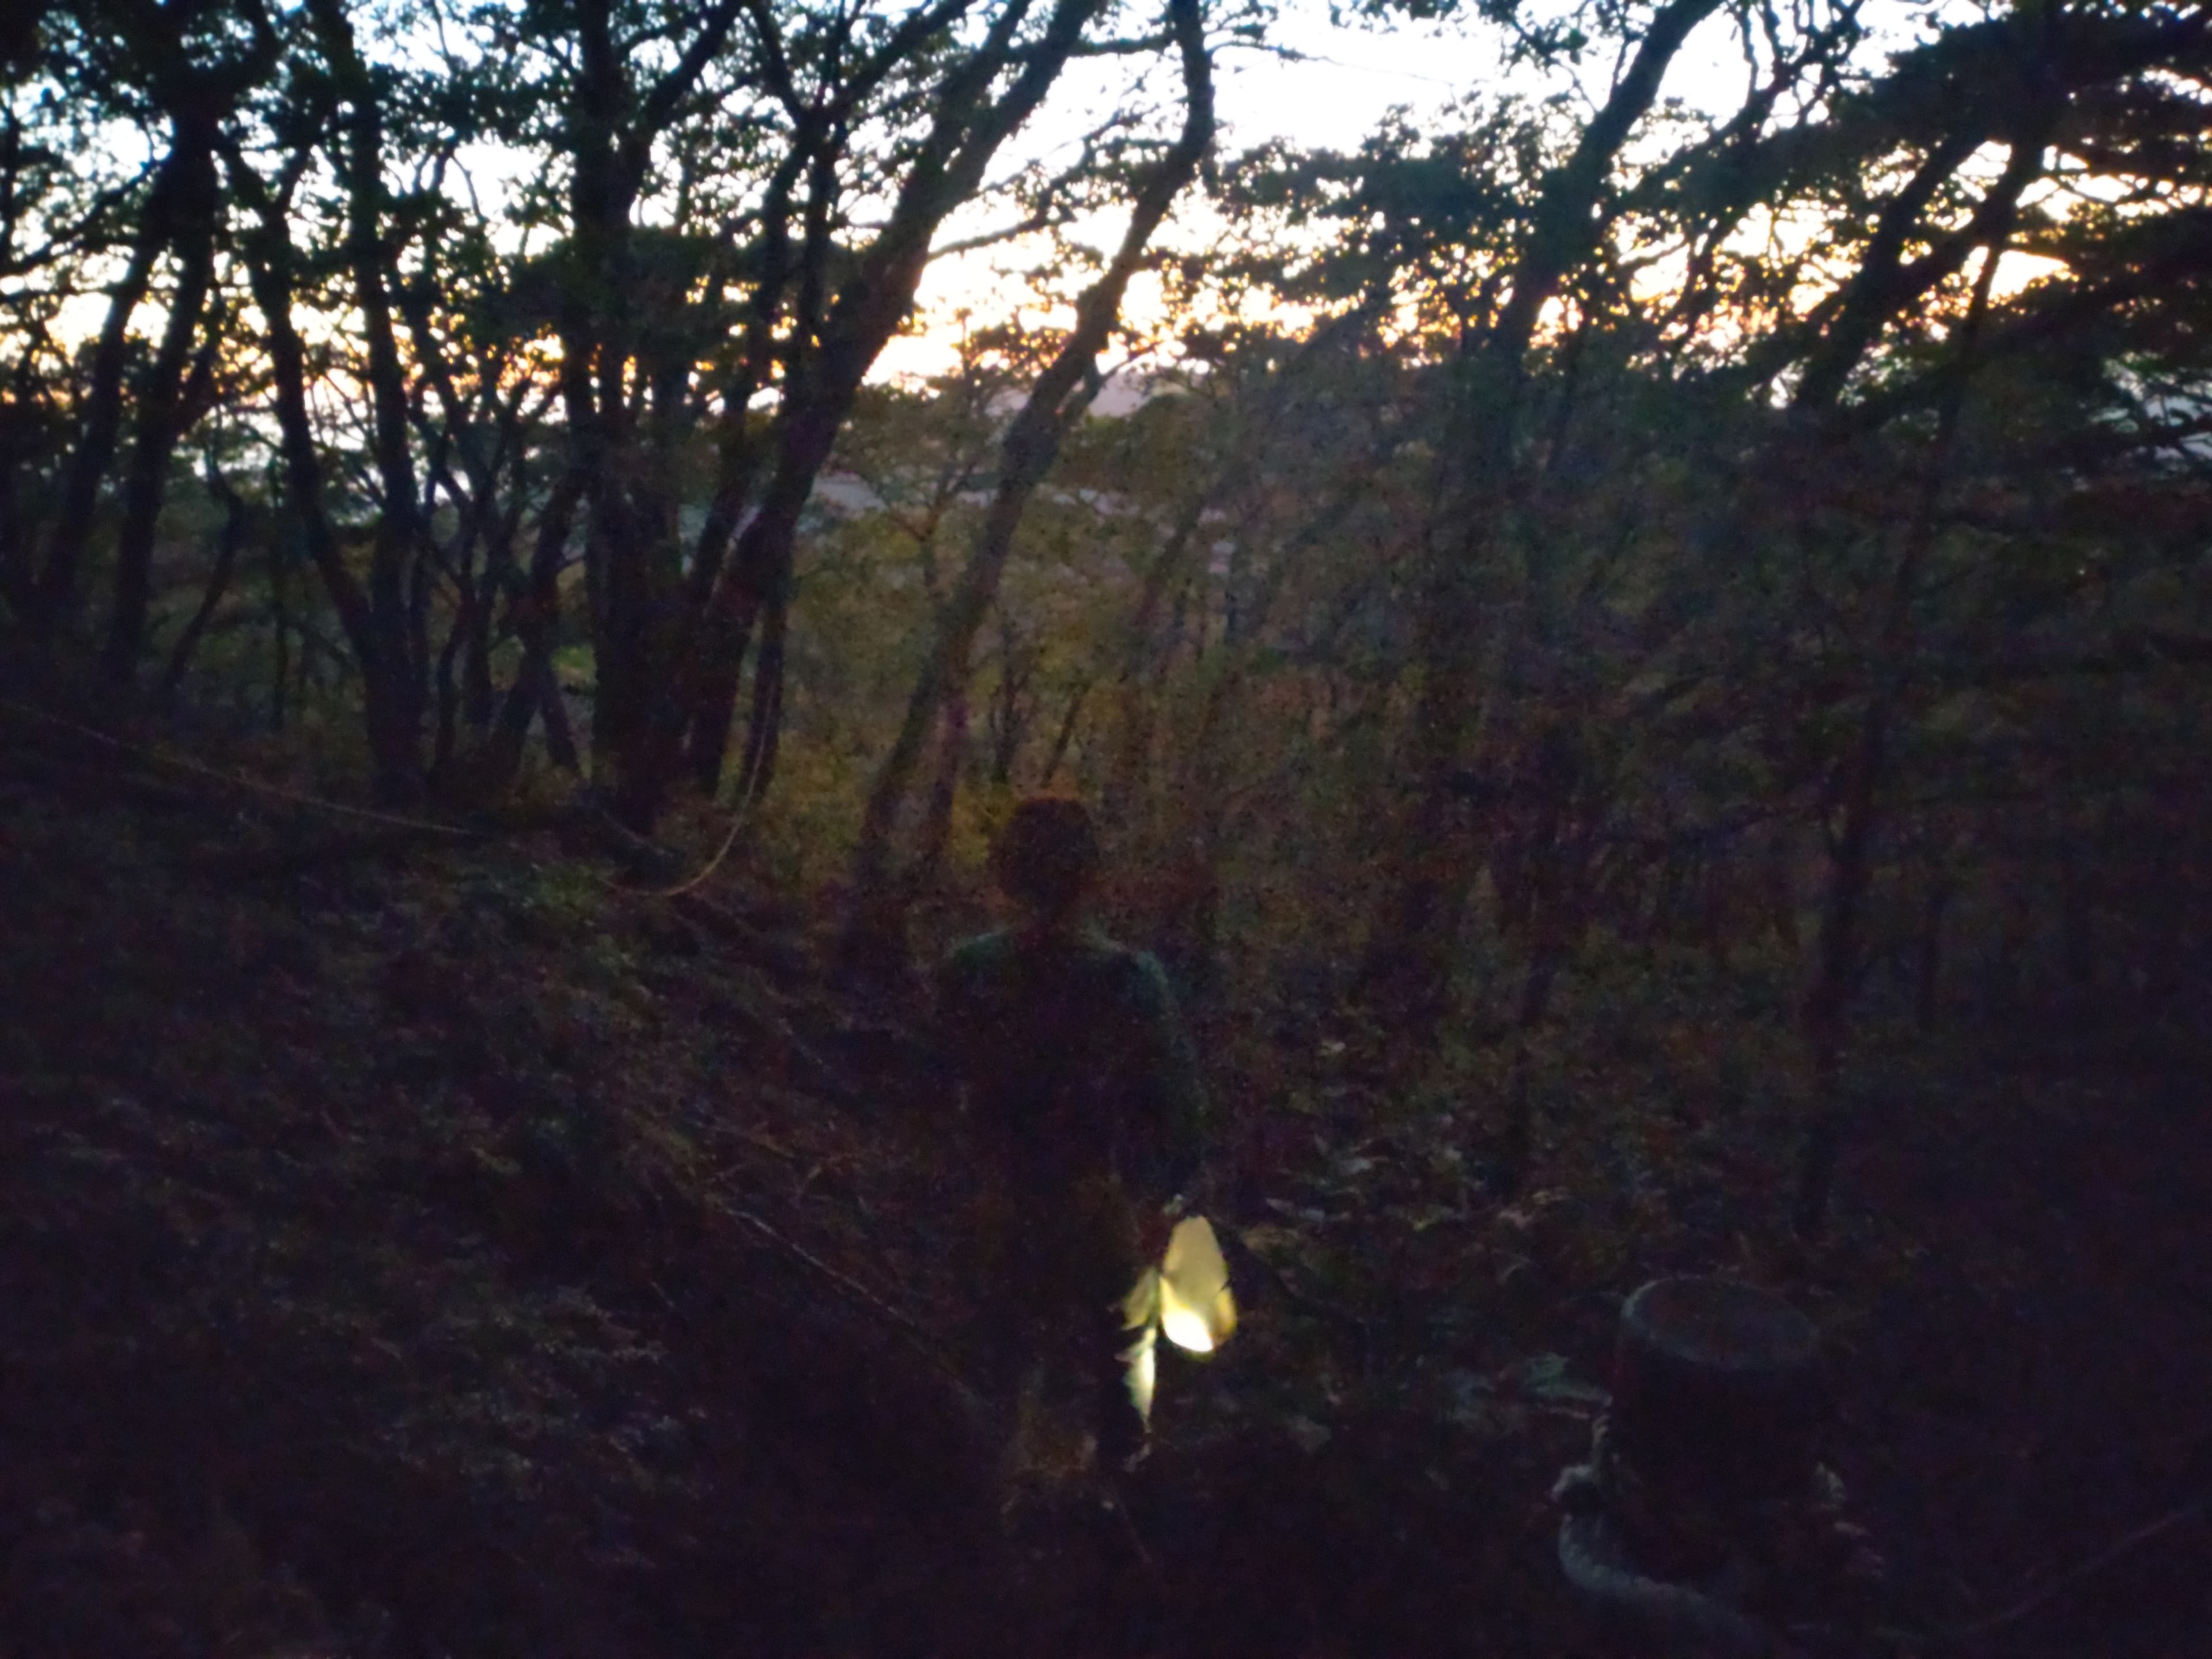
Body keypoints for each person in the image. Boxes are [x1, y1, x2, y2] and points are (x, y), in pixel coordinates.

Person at [936, 795, 1207, 1478]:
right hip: (1091, 1205)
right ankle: (1101, 1507)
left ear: (1007, 871)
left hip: (991, 1199)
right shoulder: (1131, 980)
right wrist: (1156, 1198)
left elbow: (930, 1082)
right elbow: (1179, 1113)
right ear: (1092, 877)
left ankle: (989, 1506)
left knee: (992, 1369)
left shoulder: (968, 968)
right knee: (1118, 1365)